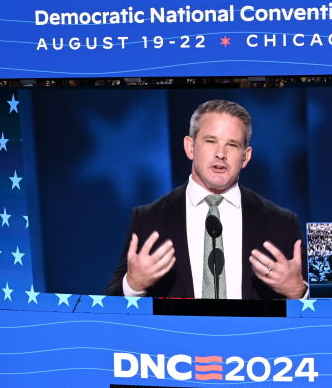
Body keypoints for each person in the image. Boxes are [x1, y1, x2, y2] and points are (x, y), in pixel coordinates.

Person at [106, 99, 307, 299]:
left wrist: (297, 291)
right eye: (211, 141)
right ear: (190, 147)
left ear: (245, 157)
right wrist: (134, 285)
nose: (221, 154)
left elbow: (321, 299)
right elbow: (110, 301)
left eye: (232, 144)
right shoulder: (149, 219)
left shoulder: (281, 222)